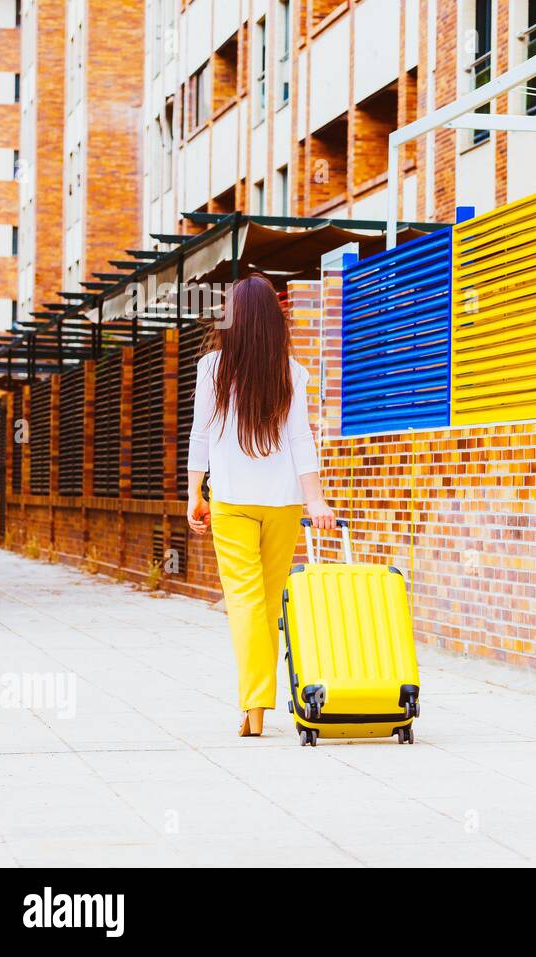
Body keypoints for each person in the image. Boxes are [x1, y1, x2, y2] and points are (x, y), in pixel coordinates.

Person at [185, 275, 336, 737]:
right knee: (267, 604)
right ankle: (256, 704)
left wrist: (194, 492)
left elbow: (201, 434)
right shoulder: (292, 371)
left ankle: (255, 706)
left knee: (245, 603)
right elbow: (300, 438)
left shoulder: (213, 367)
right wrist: (315, 499)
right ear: (276, 319)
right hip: (284, 503)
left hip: (231, 502)